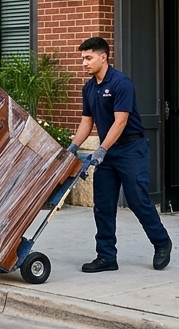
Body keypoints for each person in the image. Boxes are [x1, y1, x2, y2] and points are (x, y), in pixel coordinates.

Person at [68, 36, 172, 273]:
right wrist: (72, 148)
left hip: (130, 149)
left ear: (103, 57)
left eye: (88, 58)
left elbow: (121, 121)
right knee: (103, 205)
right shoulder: (89, 87)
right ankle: (106, 256)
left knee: (138, 200)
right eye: (82, 58)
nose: (84, 63)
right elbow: (87, 122)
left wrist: (101, 149)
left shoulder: (120, 83)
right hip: (108, 152)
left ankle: (162, 242)